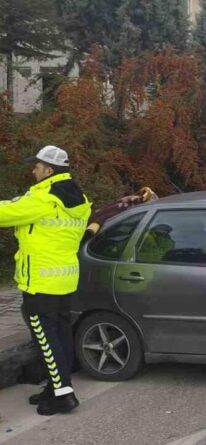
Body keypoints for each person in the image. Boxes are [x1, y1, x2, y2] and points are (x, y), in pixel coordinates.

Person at [0, 145, 92, 416]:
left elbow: (4, 212)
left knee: (45, 339)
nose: (33, 170)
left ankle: (63, 395)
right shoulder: (79, 198)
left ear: (49, 170)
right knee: (61, 335)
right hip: (64, 280)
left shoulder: (43, 198)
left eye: (37, 166)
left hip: (40, 282)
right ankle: (55, 387)